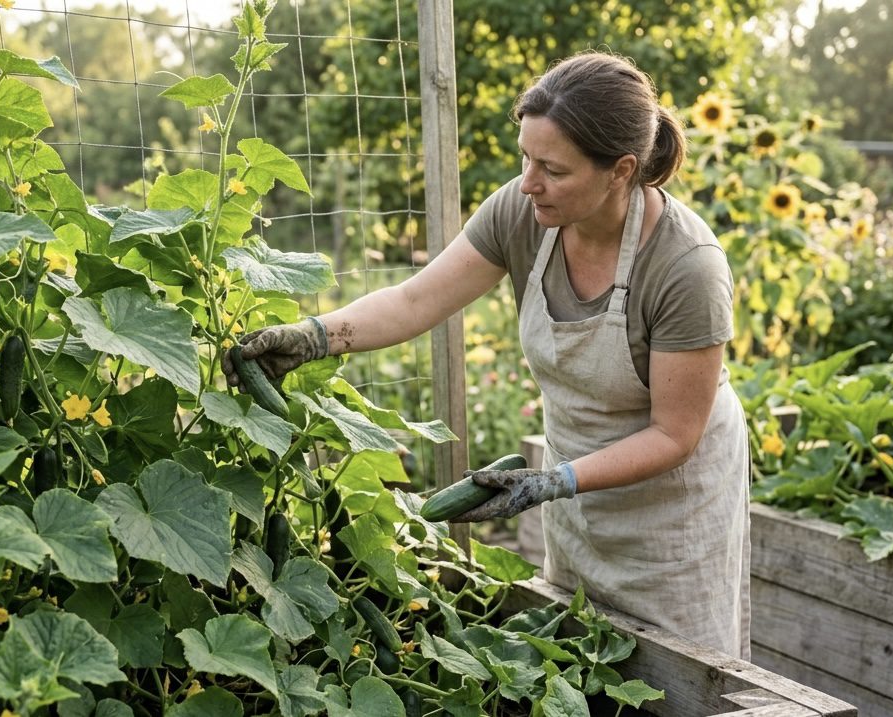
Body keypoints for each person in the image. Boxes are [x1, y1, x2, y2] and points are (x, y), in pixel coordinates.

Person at [223, 50, 751, 659]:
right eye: (525, 157)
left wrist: (557, 479)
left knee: (680, 673)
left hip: (672, 509)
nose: (528, 181)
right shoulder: (525, 213)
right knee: (582, 657)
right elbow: (416, 300)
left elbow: (674, 435)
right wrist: (315, 335)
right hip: (572, 483)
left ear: (620, 170)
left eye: (551, 168)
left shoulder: (687, 268)